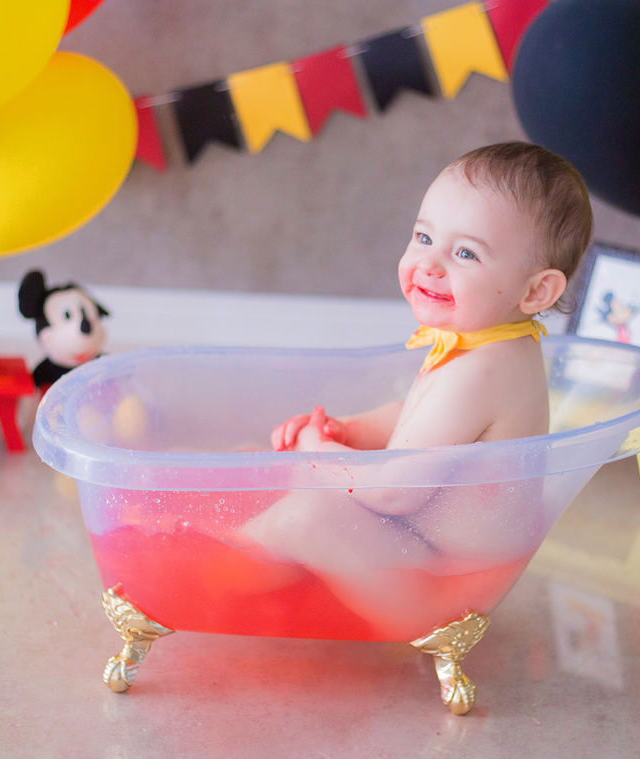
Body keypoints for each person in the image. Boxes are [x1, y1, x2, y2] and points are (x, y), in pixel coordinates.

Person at [243, 142, 594, 637]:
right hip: (421, 551)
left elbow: (391, 493)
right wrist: (350, 430)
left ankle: (212, 573)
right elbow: (418, 417)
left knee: (303, 515)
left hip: (442, 589)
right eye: (423, 236)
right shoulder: (490, 344)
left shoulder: (485, 370)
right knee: (289, 482)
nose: (430, 264)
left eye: (466, 253)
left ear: (536, 291)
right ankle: (252, 558)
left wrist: (316, 450)